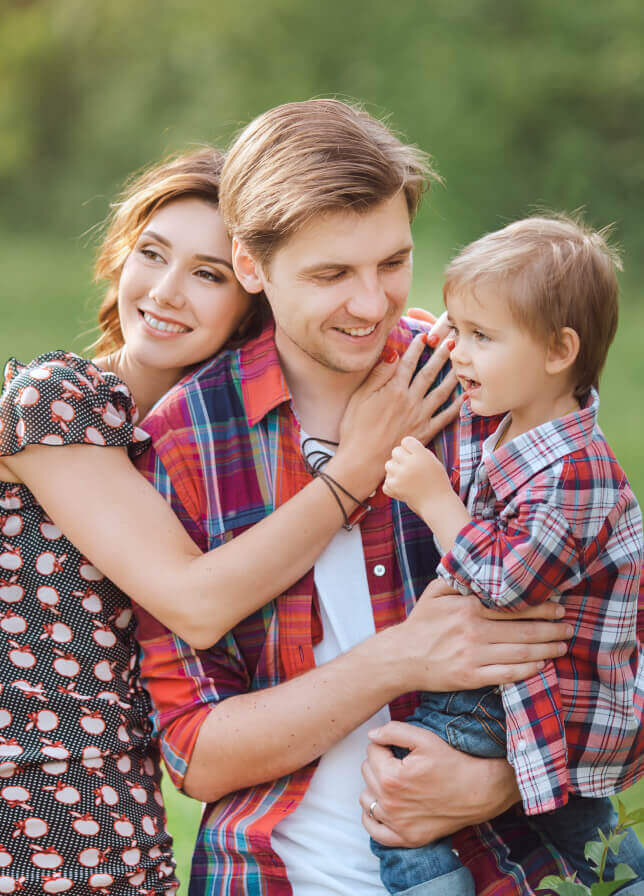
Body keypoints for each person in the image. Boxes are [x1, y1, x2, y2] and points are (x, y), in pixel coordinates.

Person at [131, 99, 574, 896]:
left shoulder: (476, 387)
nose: (373, 305)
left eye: (392, 263)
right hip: (273, 872)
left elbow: (612, 650)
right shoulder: (183, 443)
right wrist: (400, 658)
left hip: (499, 865)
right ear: (252, 267)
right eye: (332, 274)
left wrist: (503, 781)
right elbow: (195, 751)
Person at [0, 146, 461, 894]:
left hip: (118, 808)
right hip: (30, 799)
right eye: (152, 254)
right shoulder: (57, 402)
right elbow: (197, 601)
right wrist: (358, 462)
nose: (168, 292)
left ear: (252, 288)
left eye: (208, 272)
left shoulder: (183, 435)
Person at [378, 214, 644, 895]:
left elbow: (507, 583)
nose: (460, 354)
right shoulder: (514, 413)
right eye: (458, 330)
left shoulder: (577, 474)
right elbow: (469, 412)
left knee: (398, 803)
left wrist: (435, 500)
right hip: (521, 687)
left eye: (482, 338)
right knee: (589, 840)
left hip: (535, 697)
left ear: (559, 351)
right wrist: (442, 337)